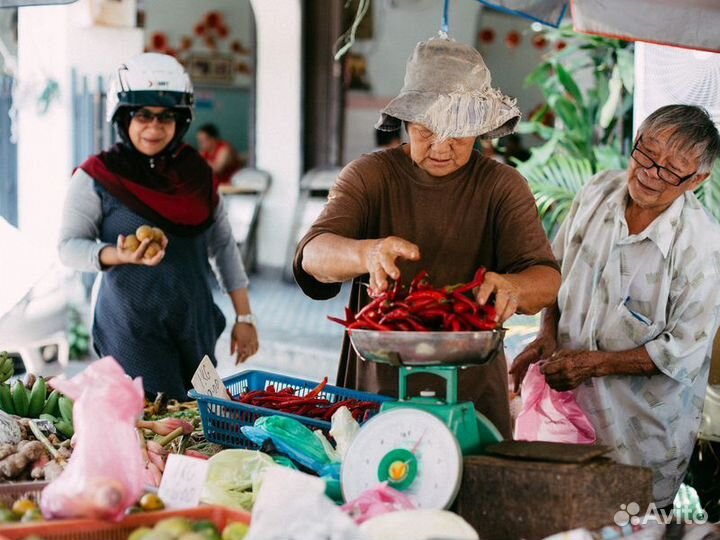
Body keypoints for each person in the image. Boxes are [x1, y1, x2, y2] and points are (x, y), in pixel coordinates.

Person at [293, 37, 561, 439]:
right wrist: (368, 253)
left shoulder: (503, 186)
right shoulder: (369, 176)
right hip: (376, 386)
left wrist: (513, 287)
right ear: (405, 119)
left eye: (458, 133)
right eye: (426, 128)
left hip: (472, 392)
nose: (440, 146)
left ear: (481, 127)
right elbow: (313, 254)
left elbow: (546, 279)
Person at [511, 104, 720, 511]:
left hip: (640, 436)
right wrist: (546, 334)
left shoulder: (703, 246)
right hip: (566, 415)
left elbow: (681, 351)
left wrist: (592, 364)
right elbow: (555, 272)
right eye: (646, 152)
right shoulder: (596, 192)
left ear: (697, 180)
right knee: (555, 519)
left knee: (626, 525)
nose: (650, 173)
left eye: (671, 169)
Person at [58, 53, 259, 400]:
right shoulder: (97, 176)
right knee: (151, 426)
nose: (154, 127)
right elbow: (68, 247)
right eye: (143, 116)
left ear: (180, 121)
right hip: (131, 329)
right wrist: (115, 255)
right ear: (123, 117)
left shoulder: (197, 173)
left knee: (201, 418)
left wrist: (245, 317)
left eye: (166, 117)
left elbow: (223, 246)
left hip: (194, 323)